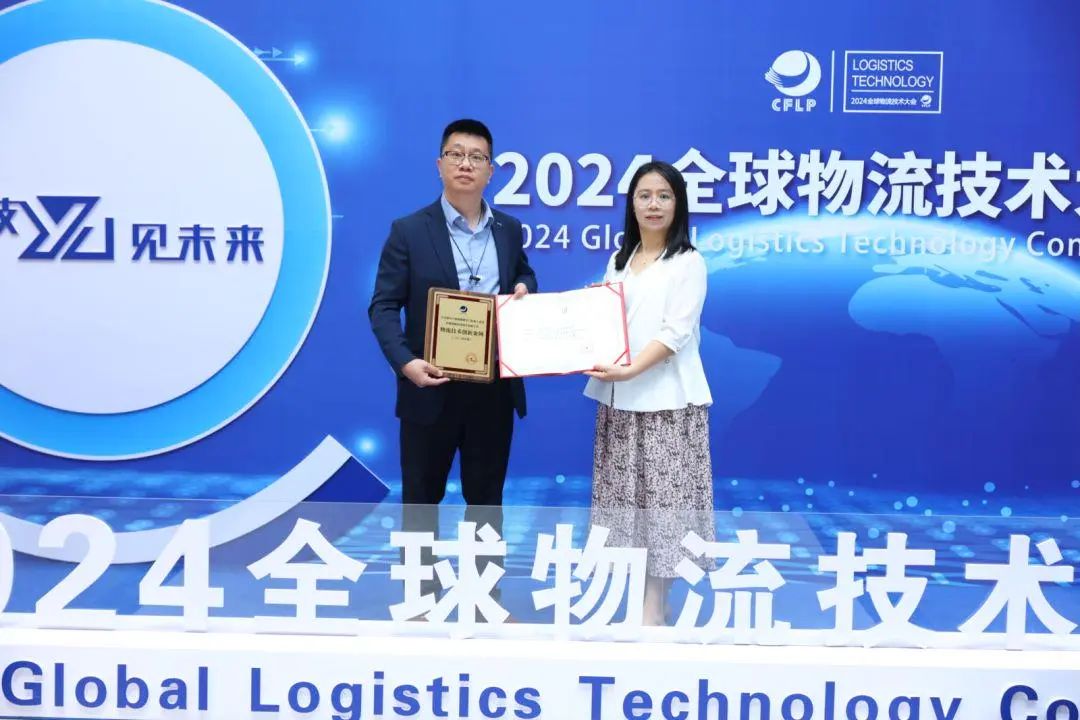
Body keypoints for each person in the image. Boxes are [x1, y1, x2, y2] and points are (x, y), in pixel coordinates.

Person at [368, 119, 537, 610]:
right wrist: (406, 364)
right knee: (422, 499)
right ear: (439, 164)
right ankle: (420, 600)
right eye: (456, 154)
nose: (466, 164)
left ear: (491, 171)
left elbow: (523, 273)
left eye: (477, 157)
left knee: (486, 501)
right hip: (429, 387)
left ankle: (485, 600)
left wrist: (525, 288)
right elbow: (383, 306)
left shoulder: (509, 230)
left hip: (492, 389)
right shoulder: (408, 230)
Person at [584, 160, 714, 626]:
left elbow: (676, 332)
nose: (653, 204)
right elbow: (605, 322)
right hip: (620, 404)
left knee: (664, 510)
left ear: (678, 204)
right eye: (644, 195)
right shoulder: (619, 260)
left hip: (666, 404)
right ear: (632, 204)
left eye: (663, 195)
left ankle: (654, 607)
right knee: (626, 508)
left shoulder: (689, 262)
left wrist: (631, 370)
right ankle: (640, 600)